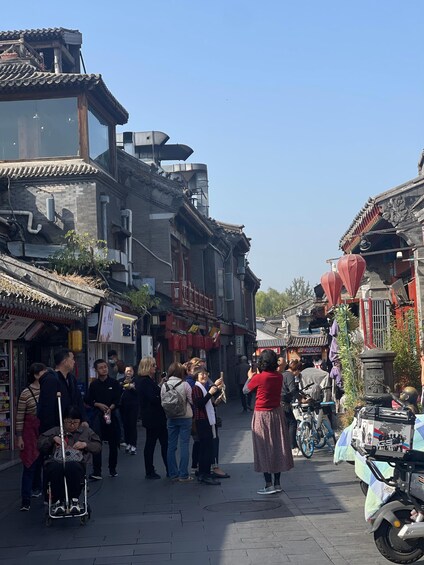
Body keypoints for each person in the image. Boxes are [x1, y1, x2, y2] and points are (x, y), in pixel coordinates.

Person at [244, 349, 293, 495]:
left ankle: (268, 484)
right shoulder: (279, 376)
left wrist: (249, 377)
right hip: (277, 413)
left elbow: (245, 390)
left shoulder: (259, 377)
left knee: (263, 447)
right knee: (278, 446)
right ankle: (277, 483)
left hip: (261, 414)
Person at [38, 405, 101, 515]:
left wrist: (85, 444)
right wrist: (52, 439)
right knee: (55, 468)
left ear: (80, 422)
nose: (71, 425)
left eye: (75, 422)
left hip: (77, 463)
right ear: (64, 421)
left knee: (72, 466)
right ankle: (57, 501)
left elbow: (98, 446)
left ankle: (74, 499)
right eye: (68, 422)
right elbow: (40, 443)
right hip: (57, 462)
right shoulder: (57, 430)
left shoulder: (86, 431)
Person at [16, 363, 47, 511]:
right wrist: (19, 436)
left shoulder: (49, 390)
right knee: (29, 465)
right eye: (43, 373)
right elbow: (20, 416)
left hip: (45, 431)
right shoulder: (25, 393)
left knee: (44, 463)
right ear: (36, 375)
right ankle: (26, 500)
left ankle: (41, 490)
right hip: (30, 434)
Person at [85, 359, 121, 479]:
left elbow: (118, 399)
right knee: (97, 442)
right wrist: (98, 405)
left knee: (113, 443)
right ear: (96, 370)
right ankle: (97, 471)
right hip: (98, 416)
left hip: (112, 415)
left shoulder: (114, 383)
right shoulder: (94, 385)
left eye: (105, 367)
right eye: (101, 367)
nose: (104, 369)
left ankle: (112, 468)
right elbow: (88, 399)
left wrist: (111, 407)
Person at [38, 348, 87, 433]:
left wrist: (83, 419)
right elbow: (47, 408)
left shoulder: (71, 379)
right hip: (56, 427)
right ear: (65, 361)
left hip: (72, 426)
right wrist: (52, 432)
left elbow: (78, 400)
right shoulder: (50, 379)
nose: (74, 362)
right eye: (72, 359)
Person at [136, 356, 168, 479]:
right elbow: (152, 398)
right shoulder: (145, 381)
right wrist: (162, 396)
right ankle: (152, 470)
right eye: (153, 365)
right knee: (157, 443)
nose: (155, 367)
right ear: (147, 367)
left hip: (152, 417)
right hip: (154, 417)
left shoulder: (146, 381)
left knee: (154, 443)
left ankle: (153, 469)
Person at [161, 362, 193, 482]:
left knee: (171, 446)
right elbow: (192, 400)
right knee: (184, 445)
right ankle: (183, 474)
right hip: (185, 417)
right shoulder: (185, 385)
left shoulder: (164, 385)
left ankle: (172, 473)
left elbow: (162, 402)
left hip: (171, 417)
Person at [192, 367, 223, 485]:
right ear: (196, 376)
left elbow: (206, 404)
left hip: (207, 421)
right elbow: (199, 404)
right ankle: (203, 474)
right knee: (205, 448)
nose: (204, 376)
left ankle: (206, 472)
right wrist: (210, 394)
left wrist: (215, 403)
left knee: (208, 447)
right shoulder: (196, 388)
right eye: (201, 374)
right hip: (202, 421)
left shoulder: (202, 388)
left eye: (205, 374)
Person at [281, 359, 302, 457]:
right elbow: (292, 389)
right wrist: (301, 399)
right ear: (296, 370)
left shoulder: (283, 374)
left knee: (286, 425)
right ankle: (293, 446)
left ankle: (288, 446)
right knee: (292, 423)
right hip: (284, 403)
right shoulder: (289, 375)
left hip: (280, 402)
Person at [120, 365, 138, 454]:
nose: (128, 372)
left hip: (133, 406)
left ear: (133, 372)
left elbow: (139, 392)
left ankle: (133, 445)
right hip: (123, 406)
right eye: (127, 371)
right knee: (126, 425)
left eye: (130, 371)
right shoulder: (121, 381)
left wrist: (133, 387)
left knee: (132, 425)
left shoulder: (136, 381)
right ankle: (128, 443)